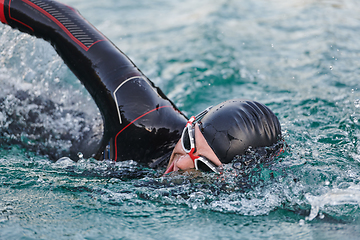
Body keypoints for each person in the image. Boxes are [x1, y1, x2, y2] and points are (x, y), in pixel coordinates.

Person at [0, 0, 282, 174]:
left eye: (204, 166)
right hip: (24, 122)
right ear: (191, 123)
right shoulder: (143, 116)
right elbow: (61, 21)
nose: (182, 163)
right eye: (188, 142)